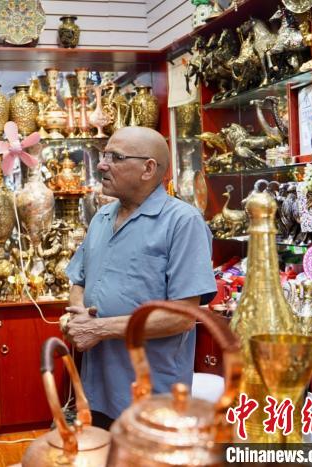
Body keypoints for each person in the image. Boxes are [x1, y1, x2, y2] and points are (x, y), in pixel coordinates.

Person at [64, 126, 216, 430]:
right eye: (104, 155)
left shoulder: (182, 222)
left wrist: (99, 329)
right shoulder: (101, 218)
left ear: (148, 169)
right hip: (96, 388)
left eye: (115, 157)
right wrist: (79, 315)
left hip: (153, 394)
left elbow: (183, 316)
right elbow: (78, 279)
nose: (102, 165)